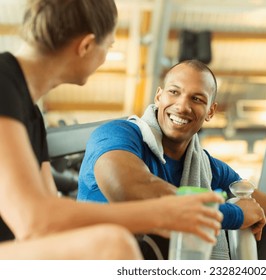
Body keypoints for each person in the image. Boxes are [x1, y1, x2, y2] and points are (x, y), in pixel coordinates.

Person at [0, 0, 224, 260]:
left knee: (112, 241)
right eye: (108, 46)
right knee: (112, 244)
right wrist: (161, 213)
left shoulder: (30, 113)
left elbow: (51, 212)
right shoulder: (3, 84)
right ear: (86, 46)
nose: (105, 56)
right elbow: (34, 221)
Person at [77, 59, 266, 260]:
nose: (182, 106)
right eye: (174, 92)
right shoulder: (117, 135)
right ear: (159, 96)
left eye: (196, 98)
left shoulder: (209, 169)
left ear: (210, 110)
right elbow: (127, 191)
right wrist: (235, 215)